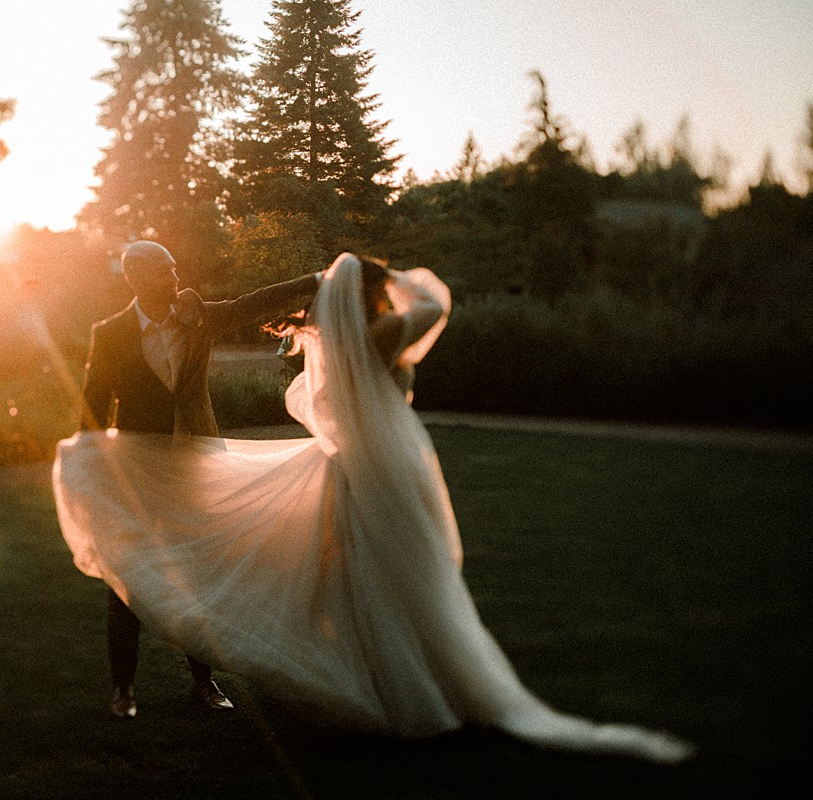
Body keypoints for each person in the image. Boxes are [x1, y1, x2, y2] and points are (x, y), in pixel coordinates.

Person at [53, 253, 693, 763]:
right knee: (402, 574)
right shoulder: (376, 332)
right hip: (381, 469)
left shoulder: (329, 335)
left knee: (345, 576)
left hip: (316, 463)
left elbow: (251, 309)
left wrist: (327, 286)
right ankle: (411, 683)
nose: (169, 279)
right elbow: (435, 302)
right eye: (157, 272)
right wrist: (381, 277)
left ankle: (291, 680)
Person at [68, 240, 321, 719]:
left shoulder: (196, 315)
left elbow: (254, 304)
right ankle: (123, 690)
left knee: (198, 574)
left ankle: (203, 684)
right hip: (138, 474)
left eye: (174, 265)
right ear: (137, 278)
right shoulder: (111, 333)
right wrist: (94, 469)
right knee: (126, 580)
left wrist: (316, 281)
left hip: (197, 466)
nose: (176, 274)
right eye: (166, 268)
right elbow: (93, 405)